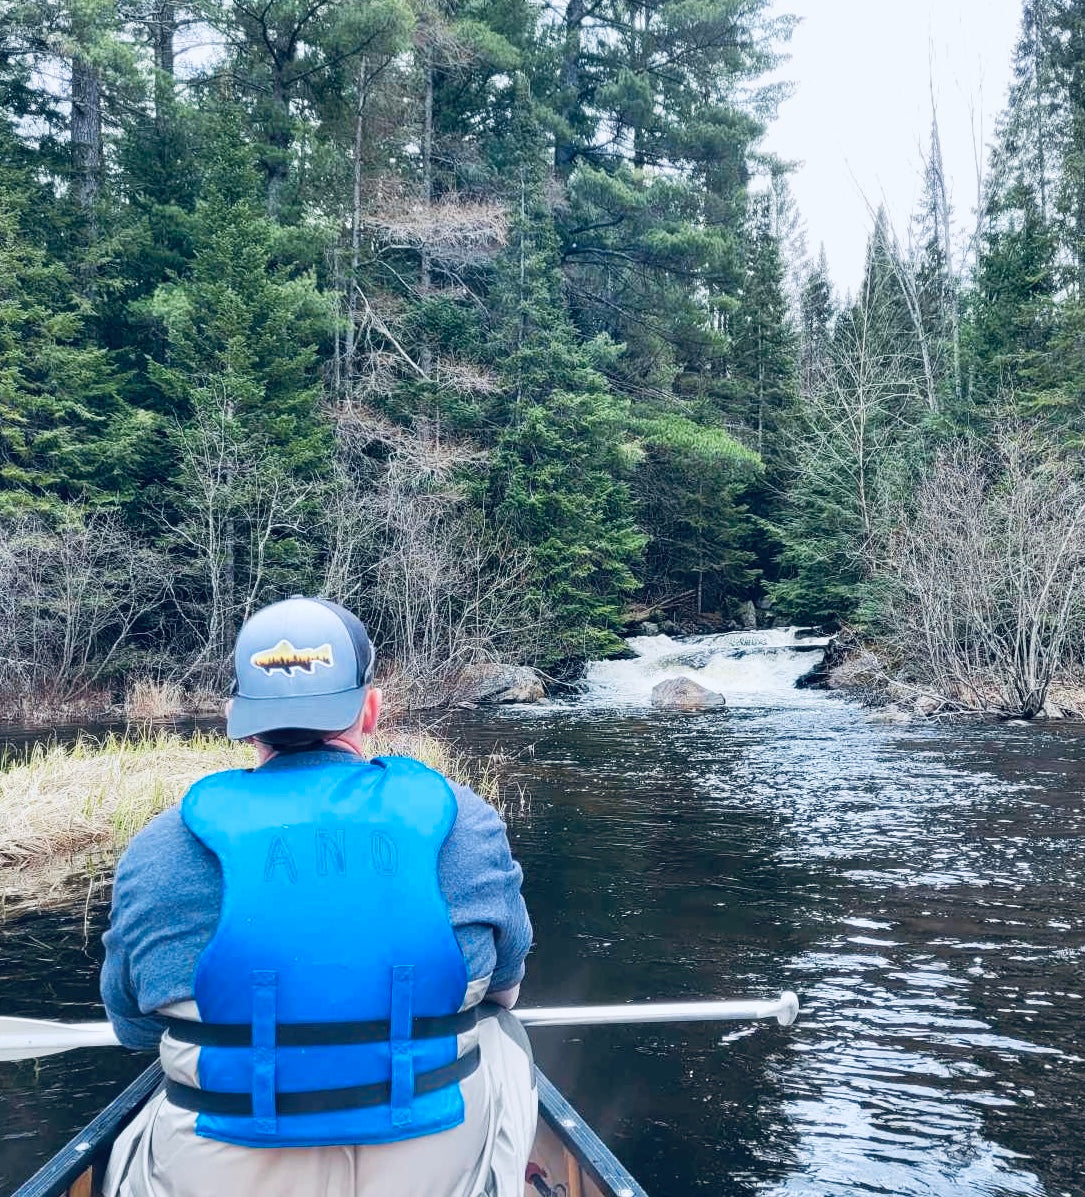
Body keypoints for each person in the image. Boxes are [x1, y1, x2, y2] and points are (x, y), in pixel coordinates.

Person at [100, 595, 536, 1197]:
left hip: (219, 1172)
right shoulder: (467, 824)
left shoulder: (158, 847)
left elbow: (134, 1028)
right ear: (371, 710)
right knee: (503, 1033)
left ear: (238, 717)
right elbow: (507, 982)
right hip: (428, 1171)